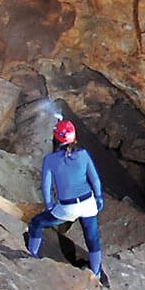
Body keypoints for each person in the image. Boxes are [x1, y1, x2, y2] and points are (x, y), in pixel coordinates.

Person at [26, 119, 105, 279]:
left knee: (36, 223)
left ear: (55, 139)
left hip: (67, 208)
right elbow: (95, 180)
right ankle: (96, 273)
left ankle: (31, 254)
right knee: (92, 238)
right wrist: (98, 198)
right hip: (88, 203)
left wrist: (50, 206)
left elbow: (46, 186)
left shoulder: (50, 160)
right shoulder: (83, 154)